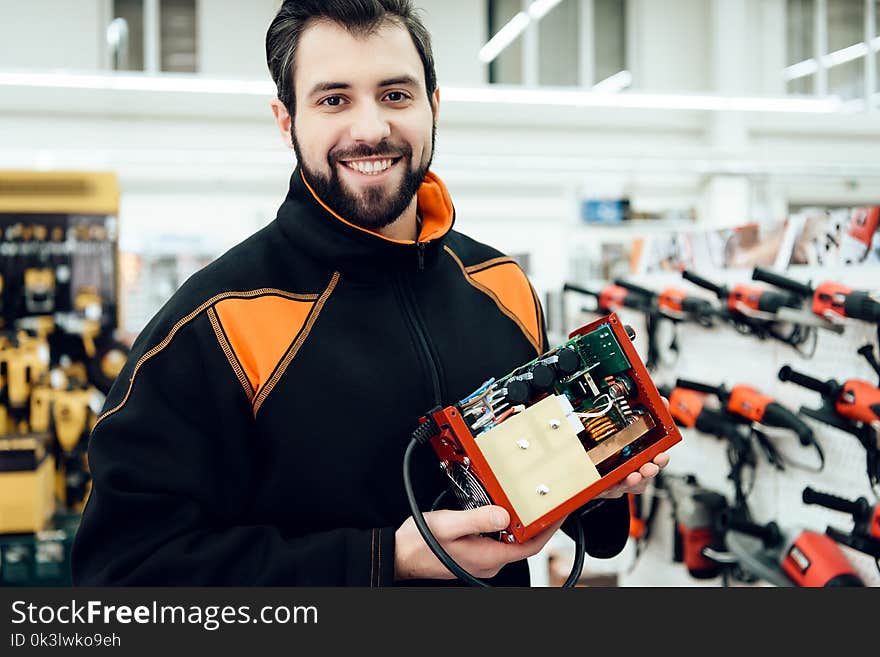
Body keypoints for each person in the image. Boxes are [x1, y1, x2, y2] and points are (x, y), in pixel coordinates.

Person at [71, 0, 668, 587]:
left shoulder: (501, 284)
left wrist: (601, 471)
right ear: (287, 122)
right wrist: (385, 560)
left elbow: (537, 481)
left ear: (433, 107)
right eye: (334, 100)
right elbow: (123, 578)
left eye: (396, 95)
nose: (371, 128)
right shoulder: (215, 323)